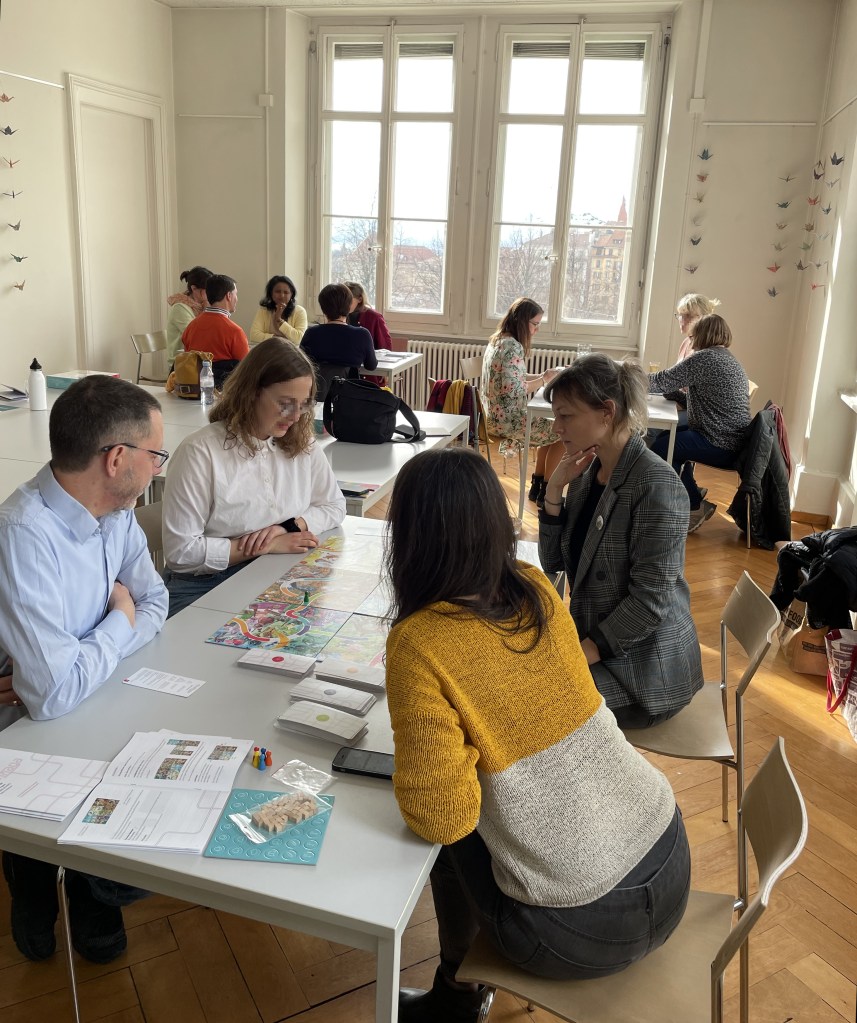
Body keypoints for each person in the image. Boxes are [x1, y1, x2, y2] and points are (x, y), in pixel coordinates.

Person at [384, 447, 690, 1023]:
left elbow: (442, 818)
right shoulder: (533, 585)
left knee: (453, 835)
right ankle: (457, 993)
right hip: (669, 860)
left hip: (578, 930)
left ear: (410, 539)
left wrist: (454, 754)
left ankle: (456, 997)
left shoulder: (418, 643)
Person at [0, 375, 169, 964]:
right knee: (40, 800)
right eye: (155, 455)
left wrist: (92, 650)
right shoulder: (23, 532)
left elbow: (155, 601)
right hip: (23, 726)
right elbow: (48, 698)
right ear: (116, 458)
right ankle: (31, 888)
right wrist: (118, 619)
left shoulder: (116, 512)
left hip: (91, 691)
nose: (157, 468)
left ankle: (91, 896)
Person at [539, 355, 703, 726]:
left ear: (607, 412)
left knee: (534, 707)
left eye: (566, 416)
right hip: (600, 645)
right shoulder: (588, 473)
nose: (557, 428)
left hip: (643, 671)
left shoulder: (657, 486)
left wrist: (580, 653)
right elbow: (554, 563)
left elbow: (649, 603)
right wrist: (553, 492)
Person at [162, 340, 347, 616]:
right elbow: (181, 553)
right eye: (285, 404)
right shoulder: (200, 452)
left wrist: (288, 527)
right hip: (203, 584)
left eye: (304, 404)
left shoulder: (301, 442)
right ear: (251, 393)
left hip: (270, 570)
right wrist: (264, 546)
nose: (296, 416)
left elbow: (334, 505)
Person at [649, 313, 752, 533]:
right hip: (730, 437)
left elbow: (660, 380)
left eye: (693, 335)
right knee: (667, 438)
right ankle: (690, 497)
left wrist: (626, 376)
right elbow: (706, 401)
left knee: (663, 446)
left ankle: (691, 507)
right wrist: (673, 393)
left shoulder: (705, 358)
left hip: (721, 443)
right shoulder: (726, 358)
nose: (691, 339)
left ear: (702, 335)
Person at [481, 298, 563, 508]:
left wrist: (544, 376)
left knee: (550, 426)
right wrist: (543, 380)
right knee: (564, 432)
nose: (536, 329)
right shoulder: (513, 347)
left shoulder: (497, 340)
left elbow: (514, 377)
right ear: (522, 321)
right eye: (534, 324)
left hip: (491, 417)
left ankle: (538, 485)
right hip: (508, 422)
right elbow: (515, 389)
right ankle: (546, 491)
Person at [300, 283, 378, 400]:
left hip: (316, 398)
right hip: (348, 399)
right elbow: (371, 366)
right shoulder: (362, 335)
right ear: (349, 305)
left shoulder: (312, 333)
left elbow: (301, 364)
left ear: (323, 308)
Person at [181, 273, 250, 389]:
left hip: (194, 390)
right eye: (236, 294)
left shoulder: (190, 327)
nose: (237, 299)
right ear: (229, 296)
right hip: (224, 392)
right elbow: (247, 369)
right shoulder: (235, 331)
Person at [165, 265, 213, 365]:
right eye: (207, 289)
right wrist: (207, 311)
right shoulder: (180, 308)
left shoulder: (202, 305)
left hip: (198, 359)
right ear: (194, 288)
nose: (211, 293)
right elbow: (196, 336)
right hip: (182, 363)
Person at [249, 274, 308, 346]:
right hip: (269, 349)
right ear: (271, 293)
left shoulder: (299, 311)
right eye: (278, 291)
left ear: (291, 295)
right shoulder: (264, 310)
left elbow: (299, 339)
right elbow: (254, 335)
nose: (282, 295)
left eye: (286, 292)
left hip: (291, 351)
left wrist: (279, 320)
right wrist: (277, 339)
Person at [344, 280, 392, 353]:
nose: (345, 303)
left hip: (369, 358)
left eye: (349, 300)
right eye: (342, 299)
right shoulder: (338, 315)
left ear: (360, 299)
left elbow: (385, 349)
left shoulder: (375, 317)